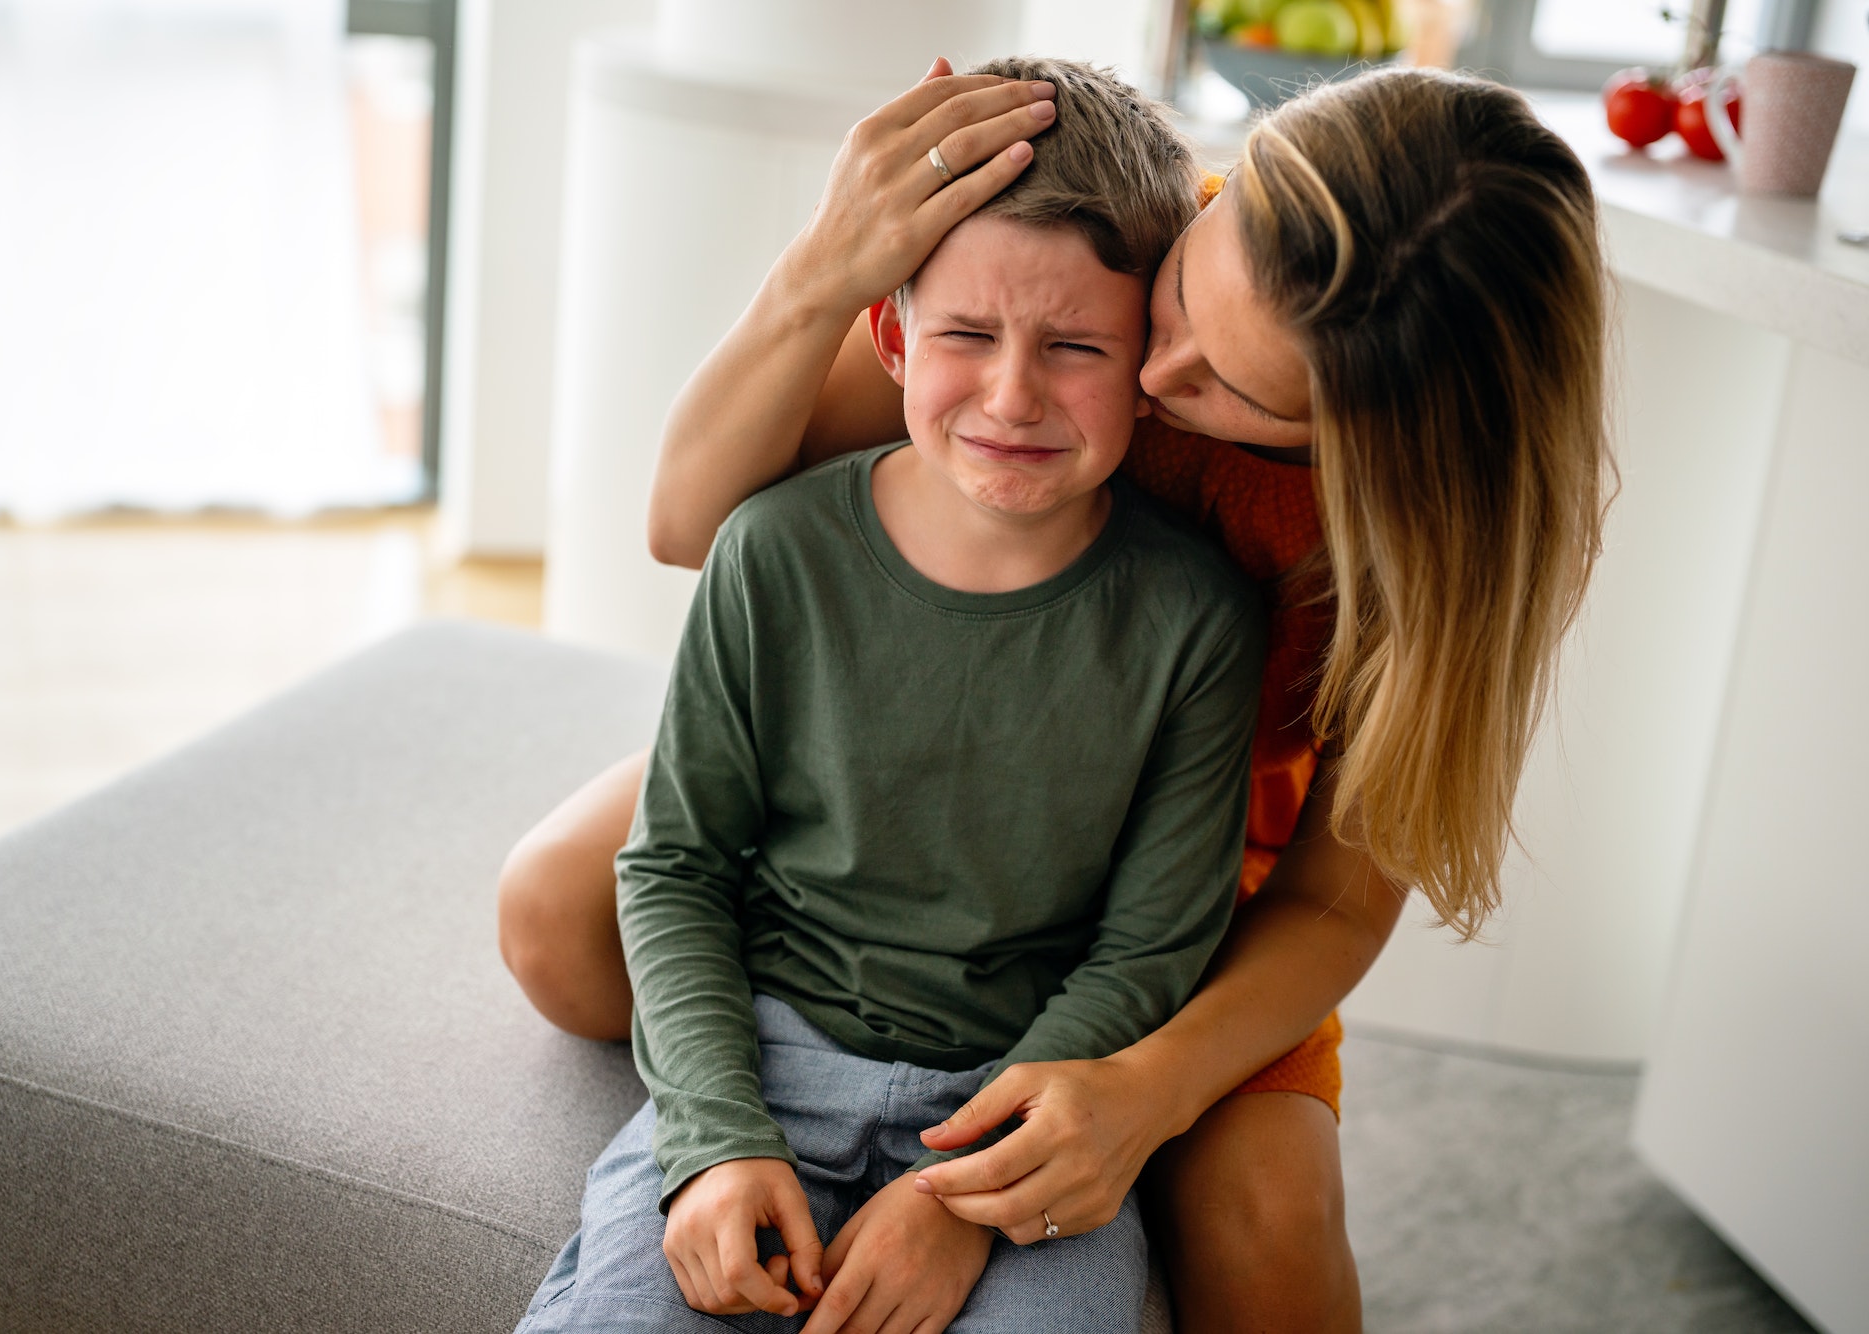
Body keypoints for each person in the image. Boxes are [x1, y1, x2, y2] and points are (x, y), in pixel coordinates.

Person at [501, 59, 1612, 1334]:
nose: (1151, 373)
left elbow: (1331, 898)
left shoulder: (1429, 558)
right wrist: (825, 266)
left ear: (1374, 451)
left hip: (1185, 870)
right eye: (1180, 299)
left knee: (1268, 1247)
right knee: (554, 918)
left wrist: (1138, 1089)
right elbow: (698, 526)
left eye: (1233, 395)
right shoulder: (1084, 266)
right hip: (890, 748)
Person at [517, 57, 1266, 1334]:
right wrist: (710, 1140)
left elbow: (1148, 947)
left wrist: (962, 1190)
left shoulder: (1195, 618)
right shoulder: (774, 550)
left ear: (1150, 358)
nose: (1013, 395)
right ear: (892, 335)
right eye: (967, 335)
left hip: (1021, 1106)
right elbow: (677, 864)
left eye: (1076, 346)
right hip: (767, 1056)